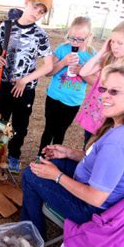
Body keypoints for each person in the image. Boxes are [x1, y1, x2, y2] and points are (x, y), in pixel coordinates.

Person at [21, 64, 124, 240]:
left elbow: (95, 198)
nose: (104, 96)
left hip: (93, 210)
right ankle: (35, 211)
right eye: (104, 89)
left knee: (31, 175)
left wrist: (57, 176)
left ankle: (31, 235)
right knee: (46, 165)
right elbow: (103, 162)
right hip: (101, 191)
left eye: (114, 92)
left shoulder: (118, 144)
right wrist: (70, 153)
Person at [0, 0, 54, 173]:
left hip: (25, 89)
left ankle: (13, 156)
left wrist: (25, 80)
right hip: (4, 84)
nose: (36, 13)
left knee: (20, 124)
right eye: (35, 7)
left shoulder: (40, 34)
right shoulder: (6, 26)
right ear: (26, 3)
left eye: (41, 12)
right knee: (1, 121)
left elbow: (48, 65)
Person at [37, 16, 96, 156]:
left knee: (60, 131)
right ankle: (40, 156)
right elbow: (48, 72)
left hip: (73, 101)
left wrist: (81, 71)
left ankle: (54, 157)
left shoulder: (92, 55)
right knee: (49, 129)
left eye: (80, 39)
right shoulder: (63, 49)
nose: (75, 42)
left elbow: (96, 81)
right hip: (54, 97)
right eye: (72, 38)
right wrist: (63, 62)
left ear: (89, 36)